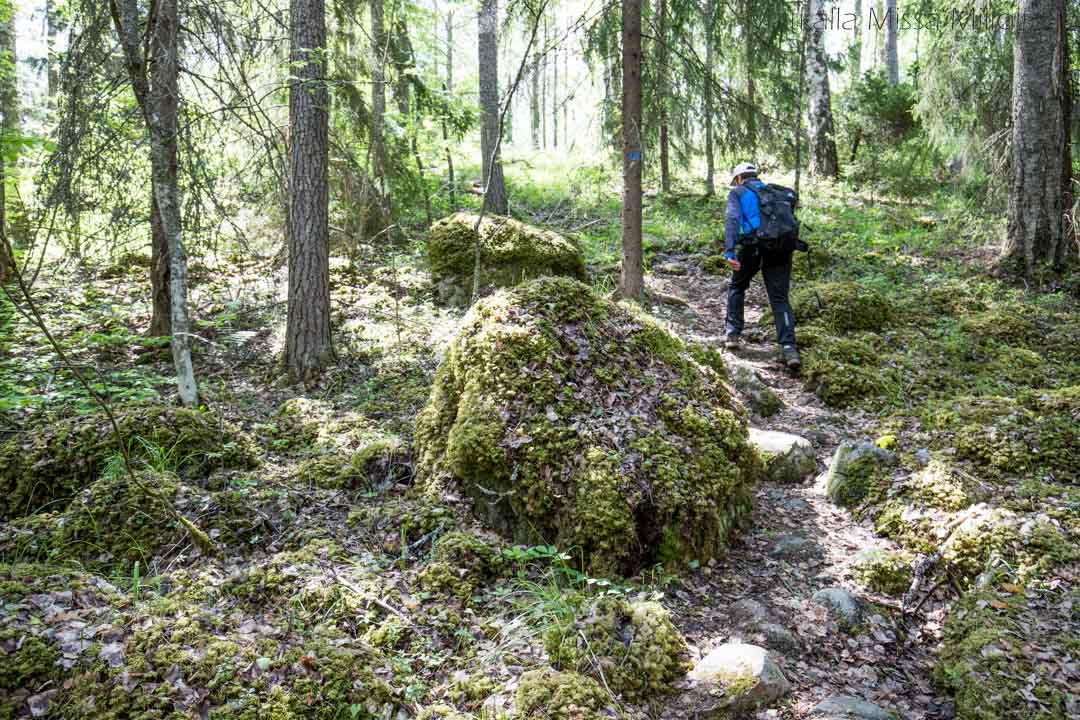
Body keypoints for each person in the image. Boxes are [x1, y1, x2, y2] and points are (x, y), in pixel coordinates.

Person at [721, 162, 801, 370]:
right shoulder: (774, 192)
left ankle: (732, 334)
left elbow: (732, 219)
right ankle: (789, 348)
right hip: (781, 249)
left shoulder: (738, 193)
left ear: (739, 179)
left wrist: (729, 251)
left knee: (737, 287)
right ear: (755, 176)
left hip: (752, 247)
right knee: (780, 299)